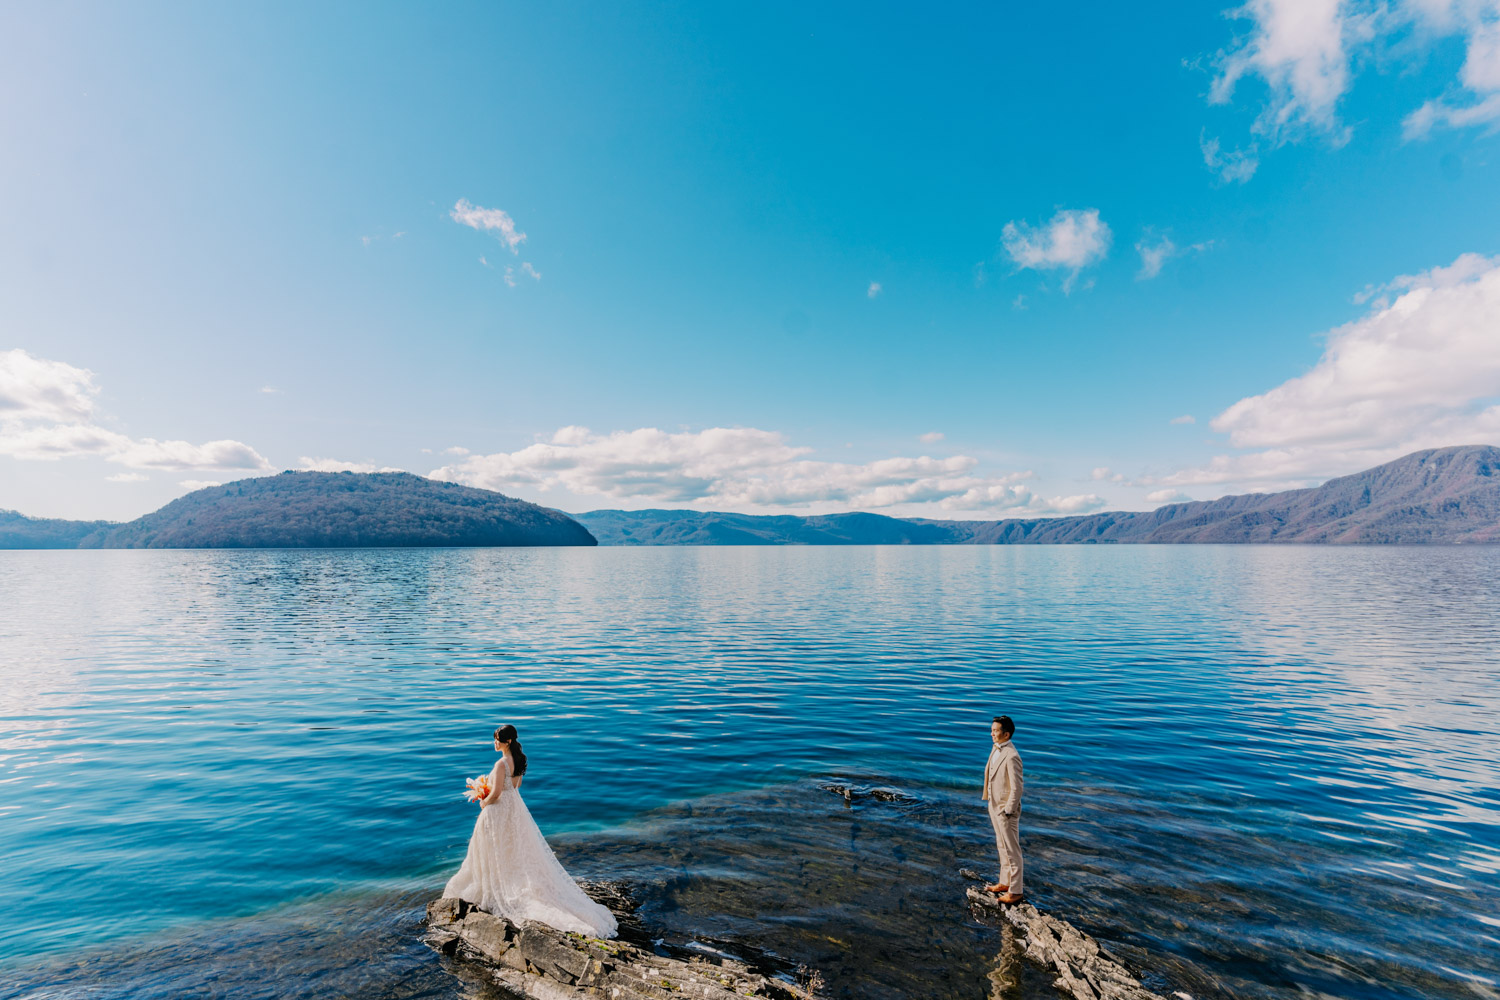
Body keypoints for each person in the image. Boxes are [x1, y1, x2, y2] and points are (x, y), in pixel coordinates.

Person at [444, 724, 618, 938]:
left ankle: (495, 888)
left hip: (498, 812)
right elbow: (515, 787)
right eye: (494, 739)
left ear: (507, 741)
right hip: (514, 811)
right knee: (513, 849)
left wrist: (483, 802)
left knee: (495, 851)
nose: (494, 743)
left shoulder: (501, 764)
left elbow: (497, 794)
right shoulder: (519, 761)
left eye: (497, 739)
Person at [981, 715, 1024, 903]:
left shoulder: (1012, 756)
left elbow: (1017, 787)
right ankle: (1005, 882)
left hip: (1006, 810)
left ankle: (1016, 891)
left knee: (1012, 851)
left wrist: (1008, 810)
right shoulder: (996, 748)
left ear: (1006, 734)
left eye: (995, 730)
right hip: (994, 804)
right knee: (1001, 846)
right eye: (991, 730)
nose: (991, 733)